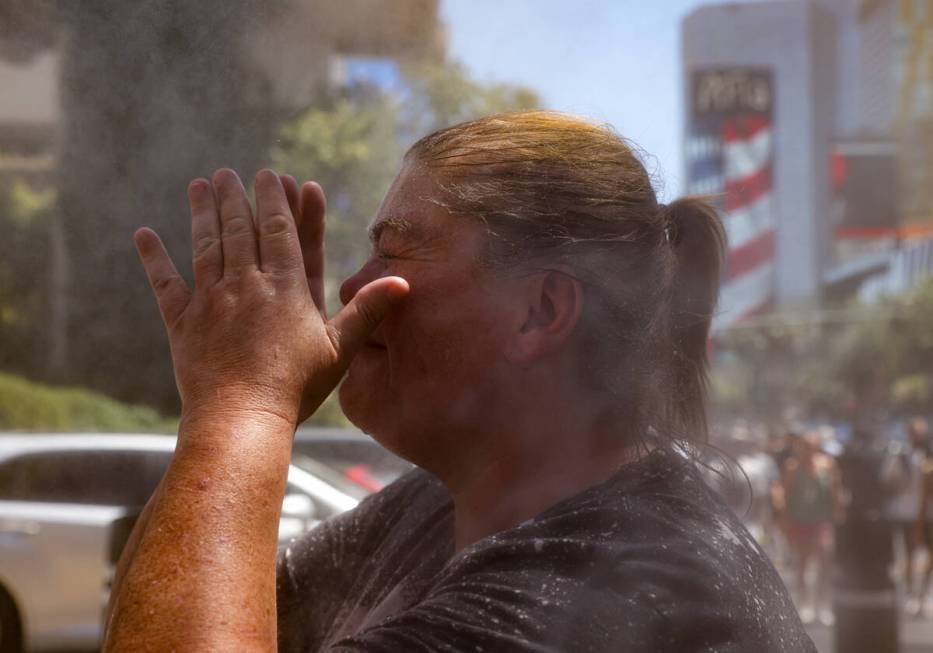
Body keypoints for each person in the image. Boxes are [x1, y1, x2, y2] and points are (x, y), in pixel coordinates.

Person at [104, 112, 815, 651]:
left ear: (537, 311)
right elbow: (168, 613)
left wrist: (239, 406)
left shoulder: (607, 584)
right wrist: (223, 399)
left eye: (393, 249)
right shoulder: (437, 504)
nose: (352, 287)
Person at [782, 431, 841, 625]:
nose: (808, 450)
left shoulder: (828, 464)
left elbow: (835, 490)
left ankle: (823, 604)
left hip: (821, 519)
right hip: (800, 519)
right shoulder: (792, 467)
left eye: (812, 446)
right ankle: (806, 603)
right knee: (803, 562)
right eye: (805, 446)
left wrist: (837, 513)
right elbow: (786, 495)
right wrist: (785, 522)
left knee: (825, 557)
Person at [881, 417, 931, 615]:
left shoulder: (928, 455)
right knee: (909, 555)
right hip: (905, 512)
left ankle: (924, 594)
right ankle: (911, 594)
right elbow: (886, 480)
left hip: (927, 514)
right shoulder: (899, 456)